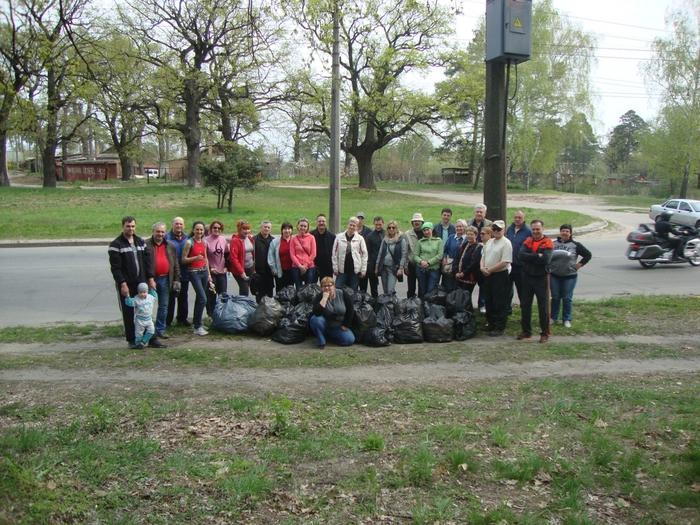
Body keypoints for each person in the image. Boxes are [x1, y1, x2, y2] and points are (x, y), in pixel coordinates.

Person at [109, 215, 163, 348]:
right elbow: (116, 268)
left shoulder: (140, 242)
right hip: (127, 284)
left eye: (133, 226)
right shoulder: (116, 245)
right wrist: (122, 284)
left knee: (146, 310)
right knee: (129, 313)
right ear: (123, 227)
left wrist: (150, 279)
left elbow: (148, 262)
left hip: (142, 284)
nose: (130, 228)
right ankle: (132, 340)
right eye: (128, 226)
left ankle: (151, 339)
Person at [518, 219, 554, 343]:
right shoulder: (528, 240)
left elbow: (546, 260)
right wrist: (536, 255)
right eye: (533, 229)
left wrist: (530, 256)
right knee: (525, 305)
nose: (535, 231)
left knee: (543, 307)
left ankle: (545, 333)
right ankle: (526, 331)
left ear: (542, 229)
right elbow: (520, 255)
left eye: (537, 229)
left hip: (541, 278)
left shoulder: (547, 242)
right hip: (527, 277)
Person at [550, 224, 592, 328]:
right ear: (560, 232)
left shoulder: (575, 245)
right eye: (563, 231)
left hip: (569, 276)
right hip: (554, 275)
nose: (564, 233)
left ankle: (566, 319)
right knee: (555, 297)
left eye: (567, 231)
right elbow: (547, 255)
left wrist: (579, 265)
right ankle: (553, 318)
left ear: (570, 233)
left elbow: (588, 255)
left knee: (567, 298)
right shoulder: (553, 243)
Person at [145, 222, 180, 340]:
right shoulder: (145, 245)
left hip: (165, 279)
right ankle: (146, 330)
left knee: (164, 306)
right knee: (146, 306)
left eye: (162, 232)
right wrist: (149, 279)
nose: (160, 234)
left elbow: (175, 264)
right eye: (158, 231)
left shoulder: (170, 245)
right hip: (150, 280)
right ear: (153, 231)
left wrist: (176, 279)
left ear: (165, 232)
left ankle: (160, 329)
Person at [480, 220, 512, 337]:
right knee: (489, 300)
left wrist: (490, 270)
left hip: (500, 275)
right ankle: (491, 323)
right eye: (494, 229)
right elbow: (483, 256)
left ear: (503, 230)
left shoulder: (506, 243)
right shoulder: (490, 241)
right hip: (488, 274)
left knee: (499, 301)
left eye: (499, 229)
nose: (496, 231)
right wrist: (482, 267)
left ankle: (500, 326)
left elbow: (505, 261)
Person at [182, 221, 214, 336]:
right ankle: (197, 327)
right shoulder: (189, 242)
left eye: (201, 230)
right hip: (194, 273)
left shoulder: (204, 242)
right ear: (193, 230)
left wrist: (209, 274)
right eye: (197, 229)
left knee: (199, 299)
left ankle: (197, 322)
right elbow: (183, 259)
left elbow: (205, 258)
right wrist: (194, 258)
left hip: (204, 272)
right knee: (203, 298)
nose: (199, 232)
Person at [310, 276, 356, 349]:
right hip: (325, 324)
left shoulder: (342, 293)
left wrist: (346, 325)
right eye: (324, 286)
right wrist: (324, 299)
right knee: (315, 319)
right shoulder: (319, 297)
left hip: (339, 325)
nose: (327, 288)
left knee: (349, 340)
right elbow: (316, 313)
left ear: (334, 286)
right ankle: (321, 341)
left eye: (329, 285)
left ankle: (330, 337)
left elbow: (350, 310)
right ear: (321, 288)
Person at [165, 217, 190, 327]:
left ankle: (182, 319)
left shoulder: (187, 238)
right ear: (172, 225)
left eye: (180, 224)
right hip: (171, 274)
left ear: (183, 225)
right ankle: (168, 321)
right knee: (170, 299)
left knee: (183, 297)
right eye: (176, 224)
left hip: (184, 272)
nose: (179, 226)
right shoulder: (166, 238)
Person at [332, 216, 368, 291]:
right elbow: (334, 254)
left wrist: (363, 270)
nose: (351, 227)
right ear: (348, 225)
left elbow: (364, 255)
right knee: (338, 290)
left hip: (355, 271)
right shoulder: (338, 237)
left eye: (354, 225)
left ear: (357, 227)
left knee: (352, 292)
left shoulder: (360, 239)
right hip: (341, 270)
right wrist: (335, 268)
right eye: (350, 225)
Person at [505, 210, 532, 305]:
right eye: (515, 217)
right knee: (507, 289)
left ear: (523, 219)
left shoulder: (528, 231)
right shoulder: (510, 229)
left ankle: (524, 309)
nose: (517, 219)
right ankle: (507, 309)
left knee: (522, 290)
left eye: (519, 218)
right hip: (508, 264)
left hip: (520, 266)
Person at [375, 220, 407, 295]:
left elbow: (404, 255)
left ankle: (392, 304)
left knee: (390, 290)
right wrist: (376, 267)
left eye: (393, 227)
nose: (391, 229)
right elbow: (380, 254)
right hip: (383, 268)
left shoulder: (401, 240)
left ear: (396, 229)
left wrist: (401, 268)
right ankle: (387, 306)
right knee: (385, 291)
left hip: (393, 268)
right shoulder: (384, 240)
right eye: (389, 227)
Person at [413, 221, 444, 298]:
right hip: (421, 269)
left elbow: (440, 255)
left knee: (431, 290)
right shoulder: (420, 242)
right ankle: (422, 307)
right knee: (422, 289)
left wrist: (429, 263)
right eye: (424, 230)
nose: (426, 232)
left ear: (432, 229)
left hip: (434, 269)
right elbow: (415, 256)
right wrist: (421, 261)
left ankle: (430, 308)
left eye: (428, 229)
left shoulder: (438, 241)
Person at [205, 220, 228, 316]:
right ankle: (211, 315)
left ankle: (222, 315)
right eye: (214, 227)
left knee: (223, 295)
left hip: (222, 272)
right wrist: (210, 268)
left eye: (219, 228)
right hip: (211, 273)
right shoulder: (206, 240)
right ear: (211, 229)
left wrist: (227, 267)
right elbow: (204, 257)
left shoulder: (223, 239)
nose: (217, 229)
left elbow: (227, 254)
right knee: (211, 295)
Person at [124, 283, 158, 349]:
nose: (142, 294)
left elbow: (155, 297)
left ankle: (143, 342)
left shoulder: (150, 297)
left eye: (144, 292)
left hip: (149, 319)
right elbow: (129, 303)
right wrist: (127, 296)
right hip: (139, 320)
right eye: (140, 292)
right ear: (138, 292)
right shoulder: (136, 299)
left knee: (151, 331)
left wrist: (152, 289)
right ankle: (138, 344)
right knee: (139, 334)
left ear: (147, 291)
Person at [360, 216, 385, 298]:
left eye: (380, 224)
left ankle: (375, 305)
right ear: (374, 224)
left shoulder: (386, 234)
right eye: (376, 224)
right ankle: (364, 304)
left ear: (383, 224)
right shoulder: (370, 236)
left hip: (382, 263)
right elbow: (367, 252)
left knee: (374, 289)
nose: (378, 226)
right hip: (371, 265)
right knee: (364, 288)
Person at [229, 220, 255, 296]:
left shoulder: (249, 238)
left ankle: (244, 305)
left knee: (247, 288)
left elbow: (253, 253)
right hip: (239, 270)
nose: (246, 231)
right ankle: (242, 306)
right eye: (244, 229)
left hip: (250, 267)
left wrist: (254, 268)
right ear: (239, 229)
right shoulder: (235, 241)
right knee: (244, 290)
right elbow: (234, 258)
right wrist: (241, 272)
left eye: (248, 229)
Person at [290, 217, 317, 289]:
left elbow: (313, 254)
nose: (303, 228)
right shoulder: (293, 238)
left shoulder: (311, 238)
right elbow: (292, 254)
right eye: (301, 225)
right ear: (298, 226)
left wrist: (305, 265)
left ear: (307, 227)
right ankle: (299, 300)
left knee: (308, 288)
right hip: (296, 267)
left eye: (305, 226)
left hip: (309, 266)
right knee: (298, 288)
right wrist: (299, 266)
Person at [455, 225, 482, 294]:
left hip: (469, 277)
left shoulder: (478, 247)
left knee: (466, 297)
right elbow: (457, 258)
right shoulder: (464, 244)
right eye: (468, 234)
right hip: (459, 276)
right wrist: (456, 272)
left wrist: (463, 273)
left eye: (471, 234)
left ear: (476, 235)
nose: (469, 236)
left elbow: (474, 263)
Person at [442, 219, 467, 291]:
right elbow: (445, 250)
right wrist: (444, 258)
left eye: (461, 226)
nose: (459, 228)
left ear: (465, 227)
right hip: (450, 266)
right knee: (448, 286)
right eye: (457, 226)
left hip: (461, 267)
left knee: (459, 288)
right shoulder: (451, 237)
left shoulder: (467, 239)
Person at [268, 222, 295, 290]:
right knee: (280, 291)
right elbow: (271, 256)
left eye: (289, 229)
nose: (287, 230)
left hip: (292, 270)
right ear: (282, 230)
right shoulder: (275, 241)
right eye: (285, 229)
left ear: (291, 230)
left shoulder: (295, 240)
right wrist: (274, 269)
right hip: (279, 271)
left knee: (290, 291)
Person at [403, 212, 424, 298]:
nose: (416, 222)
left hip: (422, 264)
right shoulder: (407, 234)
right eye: (415, 221)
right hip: (411, 264)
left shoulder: (425, 232)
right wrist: (405, 266)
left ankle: (420, 306)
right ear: (412, 223)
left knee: (422, 287)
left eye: (418, 221)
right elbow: (404, 251)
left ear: (422, 222)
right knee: (411, 287)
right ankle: (410, 306)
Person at [254, 220, 275, 301]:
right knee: (259, 295)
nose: (266, 229)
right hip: (258, 272)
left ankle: (269, 313)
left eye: (268, 227)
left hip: (269, 273)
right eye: (265, 227)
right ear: (261, 228)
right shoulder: (254, 240)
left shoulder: (273, 240)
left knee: (269, 294)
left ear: (270, 229)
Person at [311, 214, 335, 281]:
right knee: (312, 288)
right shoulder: (311, 235)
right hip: (313, 266)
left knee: (326, 288)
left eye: (323, 221)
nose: (321, 223)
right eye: (319, 221)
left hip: (327, 267)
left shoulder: (332, 237)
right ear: (316, 222)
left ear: (326, 222)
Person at [475, 226, 492, 313]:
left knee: (485, 289)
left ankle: (483, 305)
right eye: (480, 234)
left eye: (483, 234)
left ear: (489, 234)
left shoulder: (491, 245)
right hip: (479, 271)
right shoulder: (480, 245)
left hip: (488, 271)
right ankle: (481, 304)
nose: (481, 235)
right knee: (482, 286)